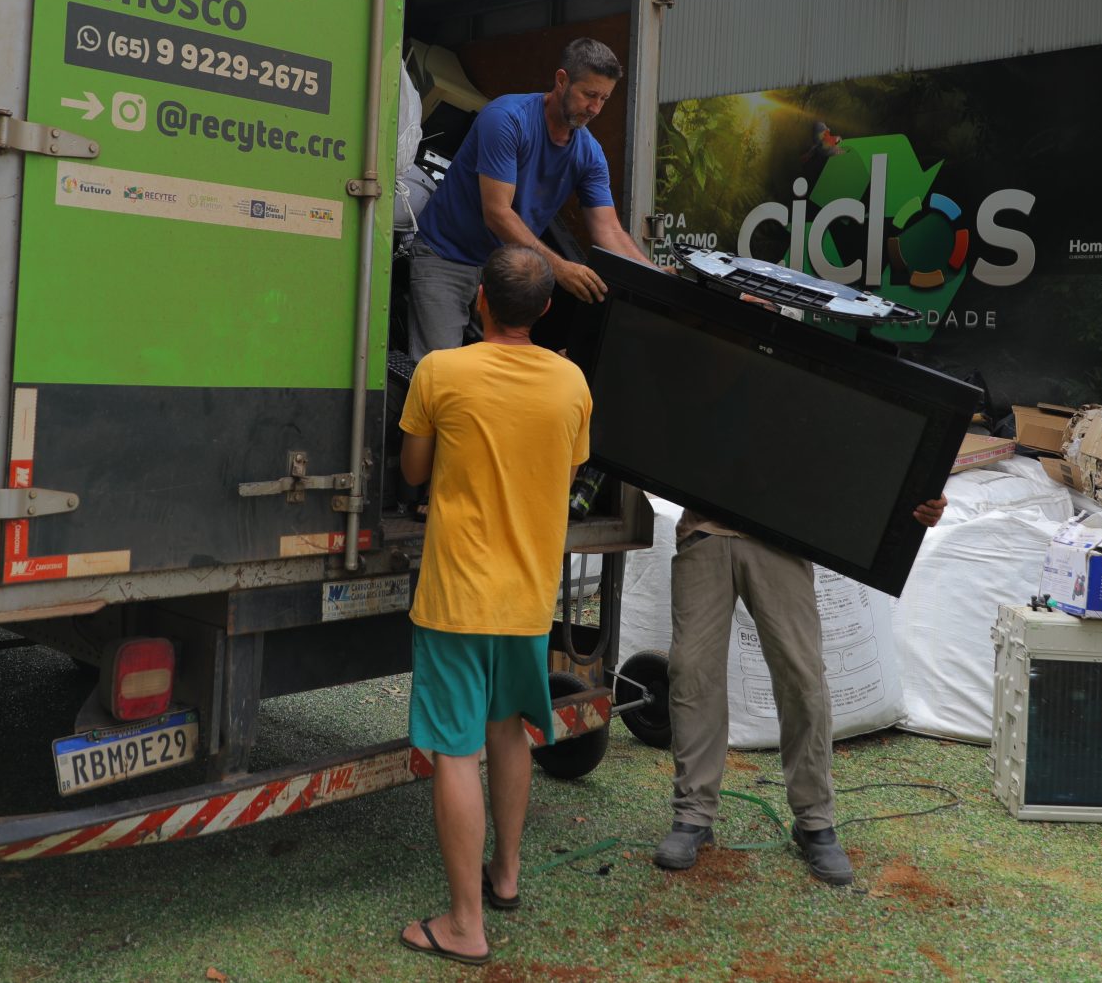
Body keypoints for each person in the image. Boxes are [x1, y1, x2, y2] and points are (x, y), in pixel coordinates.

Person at [396, 246, 592, 967]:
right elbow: (567, 470)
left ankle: (464, 926)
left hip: (456, 595)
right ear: (545, 308)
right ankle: (505, 876)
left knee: (456, 750)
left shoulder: (439, 371)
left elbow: (413, 470)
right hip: (528, 598)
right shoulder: (572, 382)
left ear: (479, 299)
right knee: (509, 731)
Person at [654, 497, 947, 885]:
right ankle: (692, 814)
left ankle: (814, 822)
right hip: (705, 532)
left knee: (803, 680)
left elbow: (864, 467)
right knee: (692, 673)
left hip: (780, 537)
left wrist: (918, 498)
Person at [406, 37, 649, 361]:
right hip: (446, 255)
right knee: (439, 371)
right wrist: (559, 268)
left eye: (604, 98)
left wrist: (653, 276)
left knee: (502, 372)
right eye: (589, 95)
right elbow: (497, 213)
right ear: (561, 80)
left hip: (503, 272)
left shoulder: (589, 153)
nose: (595, 109)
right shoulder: (506, 119)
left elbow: (610, 231)